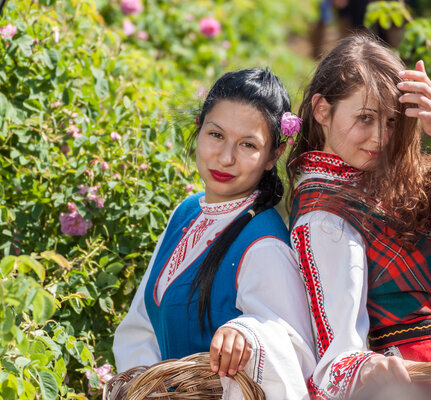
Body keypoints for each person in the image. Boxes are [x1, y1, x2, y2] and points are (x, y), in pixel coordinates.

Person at [286, 34, 431, 399]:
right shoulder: (323, 215)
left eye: (390, 121)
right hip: (416, 385)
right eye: (365, 118)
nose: (380, 137)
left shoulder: (389, 180)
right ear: (322, 110)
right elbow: (338, 354)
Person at [113, 68, 315, 399]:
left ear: (273, 156)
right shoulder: (188, 212)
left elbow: (294, 351)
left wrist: (249, 333)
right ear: (199, 127)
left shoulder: (263, 243)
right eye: (216, 135)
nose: (225, 157)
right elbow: (141, 324)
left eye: (248, 144)